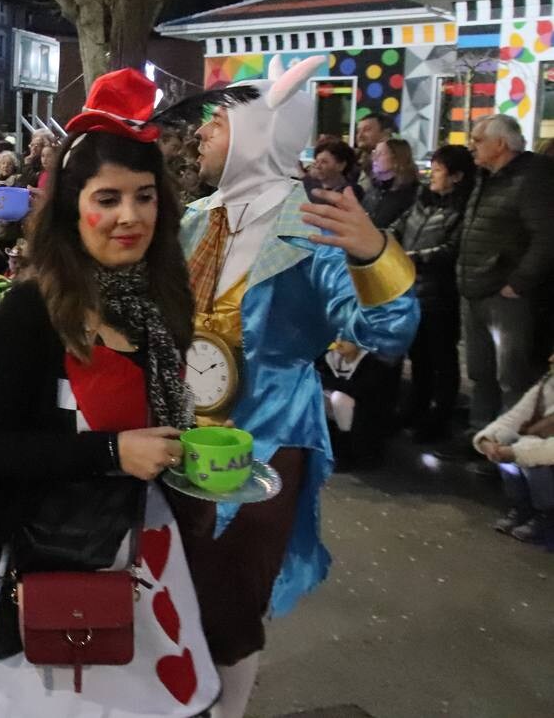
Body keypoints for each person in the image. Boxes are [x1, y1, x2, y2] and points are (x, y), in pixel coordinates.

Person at [0, 67, 219, 716]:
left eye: (144, 197)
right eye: (109, 198)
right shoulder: (31, 312)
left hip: (144, 556)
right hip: (50, 560)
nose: (129, 217)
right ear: (72, 206)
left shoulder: (161, 303)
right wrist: (111, 453)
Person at [174, 56, 418, 717]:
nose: (200, 134)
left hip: (268, 439)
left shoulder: (312, 227)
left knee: (231, 601)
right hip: (177, 434)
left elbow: (388, 329)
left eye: (215, 123)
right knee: (174, 585)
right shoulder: (197, 220)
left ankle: (229, 709)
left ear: (258, 134)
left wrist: (373, 253)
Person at [454, 114, 554, 443]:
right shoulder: (487, 177)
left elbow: (546, 236)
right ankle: (480, 436)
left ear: (500, 144)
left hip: (506, 296)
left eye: (478, 139)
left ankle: (508, 447)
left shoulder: (531, 178)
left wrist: (519, 282)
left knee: (511, 375)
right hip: (477, 290)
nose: (472, 146)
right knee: (481, 371)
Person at [389, 144, 474, 444]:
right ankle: (415, 409)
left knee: (441, 358)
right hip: (412, 290)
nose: (432, 175)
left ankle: (439, 418)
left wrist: (414, 257)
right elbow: (398, 226)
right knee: (419, 357)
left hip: (440, 293)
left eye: (438, 170)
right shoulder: (423, 200)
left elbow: (452, 249)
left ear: (457, 176)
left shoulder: (463, 208)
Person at [473, 358, 554, 544]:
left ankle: (547, 513)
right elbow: (514, 417)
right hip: (536, 445)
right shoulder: (548, 384)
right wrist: (488, 439)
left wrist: (515, 452)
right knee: (505, 441)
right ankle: (524, 506)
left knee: (535, 461)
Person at [360, 138, 417, 228]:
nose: (374, 158)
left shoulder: (410, 193)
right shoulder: (373, 188)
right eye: (375, 152)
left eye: (381, 153)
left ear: (397, 158)